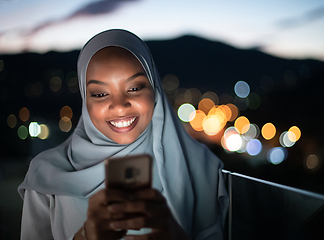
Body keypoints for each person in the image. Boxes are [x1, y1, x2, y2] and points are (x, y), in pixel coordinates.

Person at [18, 29, 229, 240]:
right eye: (100, 94)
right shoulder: (45, 175)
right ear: (85, 100)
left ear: (154, 90)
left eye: (135, 88)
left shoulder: (201, 168)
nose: (119, 106)